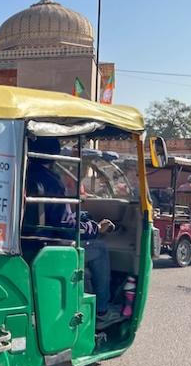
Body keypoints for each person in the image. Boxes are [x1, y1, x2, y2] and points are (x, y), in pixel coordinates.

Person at [24, 137, 121, 329]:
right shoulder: (51, 182)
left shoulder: (22, 174)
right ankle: (102, 311)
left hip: (27, 242)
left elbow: (58, 215)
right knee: (99, 248)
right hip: (50, 245)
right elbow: (66, 227)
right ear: (53, 157)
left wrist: (82, 217)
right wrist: (96, 228)